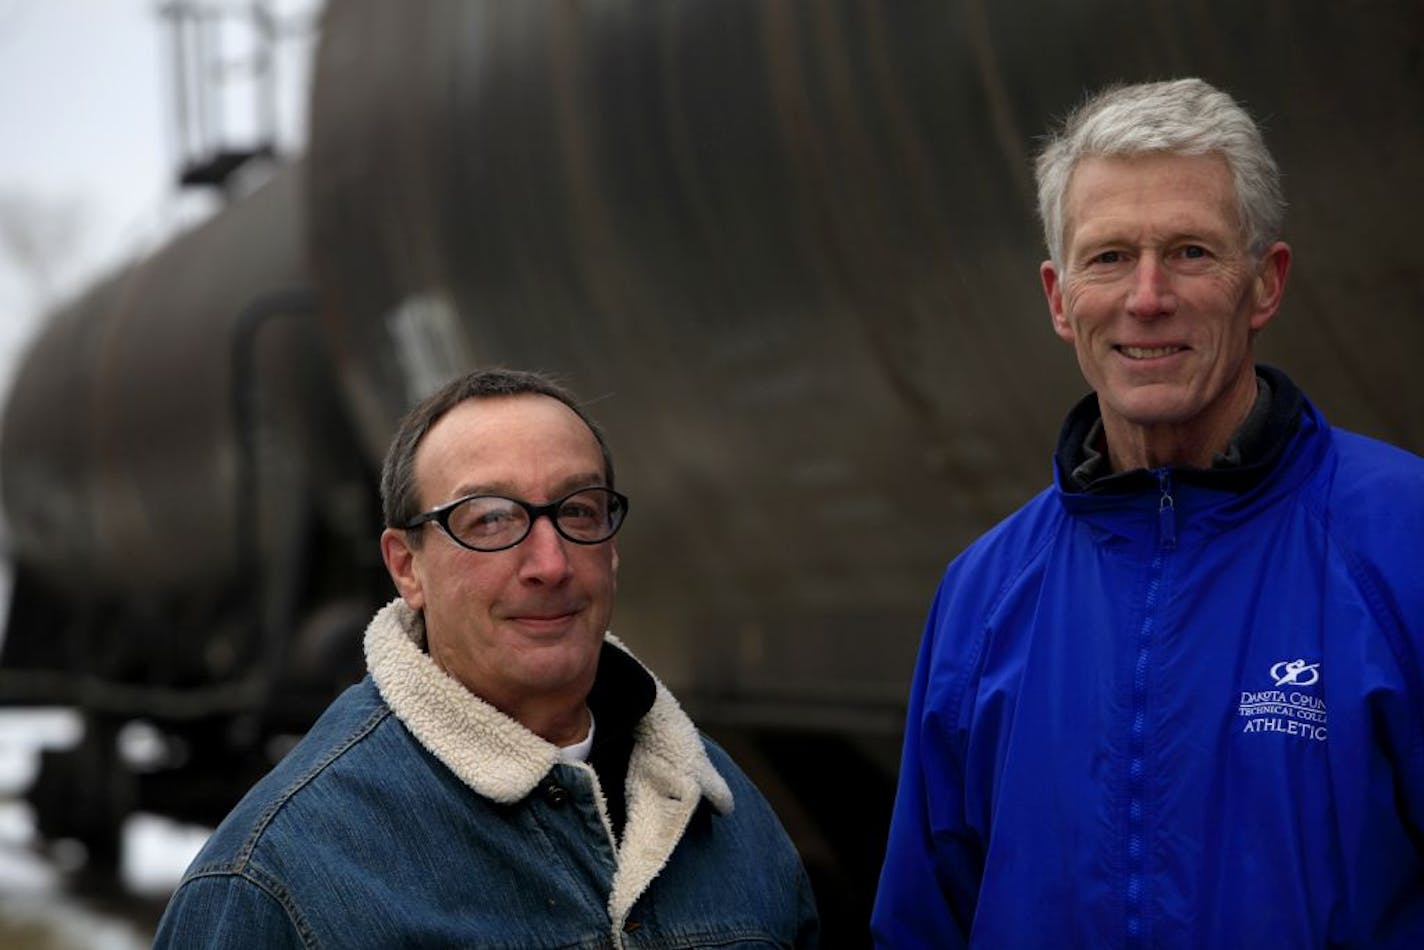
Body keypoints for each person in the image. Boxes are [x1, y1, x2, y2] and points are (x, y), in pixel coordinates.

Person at [872, 78, 1424, 947]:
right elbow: (921, 926)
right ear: (1060, 298)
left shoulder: (1403, 543)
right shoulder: (982, 593)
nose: (1147, 296)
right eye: (1109, 257)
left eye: (1193, 252)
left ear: (1265, 285)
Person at [154, 368, 819, 948]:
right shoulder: (278, 873)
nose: (550, 564)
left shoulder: (727, 815)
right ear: (406, 567)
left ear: (611, 548)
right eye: (491, 519)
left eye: (579, 511)